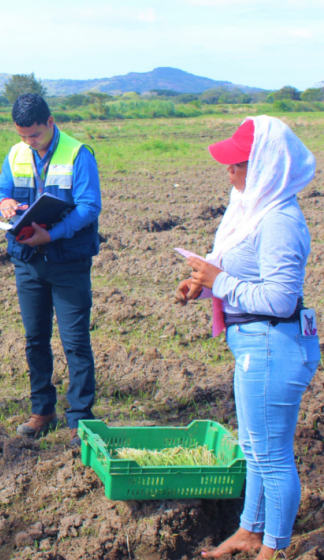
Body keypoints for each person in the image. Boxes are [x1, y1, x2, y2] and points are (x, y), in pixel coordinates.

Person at [174, 116, 319, 560]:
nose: (229, 171)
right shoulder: (252, 209)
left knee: (272, 455)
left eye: (237, 164)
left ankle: (273, 548)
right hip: (255, 342)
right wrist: (205, 282)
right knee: (255, 447)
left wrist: (220, 282)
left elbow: (278, 298)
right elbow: (246, 275)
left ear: (263, 167)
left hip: (274, 343)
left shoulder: (278, 220)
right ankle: (249, 531)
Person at [0, 93, 102, 447]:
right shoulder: (16, 153)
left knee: (75, 342)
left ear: (50, 123)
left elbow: (89, 207)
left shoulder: (78, 154)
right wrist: (2, 203)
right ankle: (42, 409)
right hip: (29, 262)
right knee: (35, 339)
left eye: (34, 135)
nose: (28, 142)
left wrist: (51, 234)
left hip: (68, 261)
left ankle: (80, 417)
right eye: (22, 136)